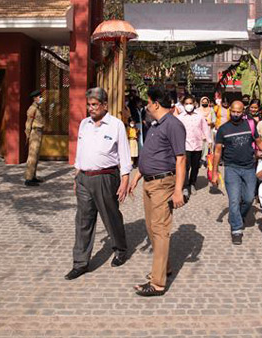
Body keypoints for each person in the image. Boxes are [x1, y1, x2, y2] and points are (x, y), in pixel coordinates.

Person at [65, 87, 132, 281]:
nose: (91, 108)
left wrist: (125, 179)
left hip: (106, 178)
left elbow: (124, 153)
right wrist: (77, 175)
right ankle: (80, 263)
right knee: (83, 220)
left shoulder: (116, 125)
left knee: (111, 216)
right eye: (89, 105)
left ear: (104, 105)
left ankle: (120, 249)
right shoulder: (84, 124)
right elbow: (80, 151)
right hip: (84, 178)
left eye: (94, 104)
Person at [128, 86, 186, 296]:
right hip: (149, 182)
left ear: (156, 104)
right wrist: (137, 175)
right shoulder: (155, 124)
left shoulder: (173, 125)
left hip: (163, 183)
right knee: (151, 228)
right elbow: (152, 153)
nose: (146, 106)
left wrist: (178, 190)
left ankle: (158, 283)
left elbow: (181, 158)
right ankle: (165, 268)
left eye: (148, 102)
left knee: (160, 230)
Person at [211, 101, 262, 245]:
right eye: (233, 111)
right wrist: (215, 172)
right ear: (230, 110)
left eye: (238, 112)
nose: (235, 114)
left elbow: (258, 141)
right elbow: (217, 151)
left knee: (248, 198)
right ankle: (236, 229)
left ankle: (238, 216)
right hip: (231, 168)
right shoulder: (223, 129)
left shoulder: (250, 124)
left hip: (249, 167)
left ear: (243, 111)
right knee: (234, 200)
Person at [178, 95, 212, 197]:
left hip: (197, 145)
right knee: (185, 167)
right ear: (183, 105)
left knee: (195, 166)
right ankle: (185, 186)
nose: (189, 105)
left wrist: (209, 140)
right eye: (186, 103)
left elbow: (205, 128)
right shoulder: (180, 117)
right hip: (185, 146)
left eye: (190, 103)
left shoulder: (199, 116)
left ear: (194, 104)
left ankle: (192, 183)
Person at [24, 90, 45, 187]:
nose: (41, 98)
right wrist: (27, 135)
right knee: (32, 156)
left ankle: (33, 176)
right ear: (35, 98)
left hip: (39, 132)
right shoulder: (32, 109)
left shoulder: (38, 108)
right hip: (34, 132)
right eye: (39, 97)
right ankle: (28, 179)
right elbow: (28, 123)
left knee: (36, 156)